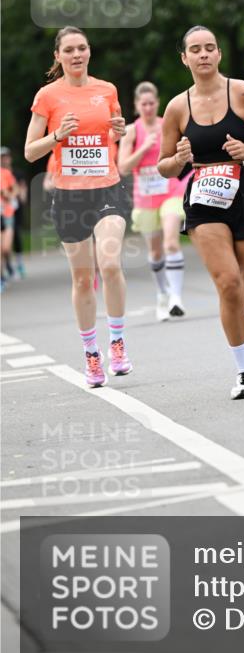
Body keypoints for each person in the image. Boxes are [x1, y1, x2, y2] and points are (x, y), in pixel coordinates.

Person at [158, 26, 244, 400]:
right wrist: (179, 160)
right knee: (228, 282)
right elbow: (163, 166)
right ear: (184, 58)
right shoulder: (177, 107)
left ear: (219, 55)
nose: (203, 55)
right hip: (204, 196)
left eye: (209, 48)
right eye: (195, 50)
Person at [24, 25, 132, 387]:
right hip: (69, 196)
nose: (76, 55)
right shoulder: (48, 96)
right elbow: (29, 151)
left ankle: (116, 342)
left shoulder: (107, 90)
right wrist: (57, 136)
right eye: (68, 50)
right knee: (83, 279)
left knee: (111, 263)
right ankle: (91, 353)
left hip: (106, 188)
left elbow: (115, 133)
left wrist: (120, 130)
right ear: (58, 56)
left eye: (81, 48)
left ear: (89, 52)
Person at [118, 81, 189, 321]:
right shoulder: (131, 131)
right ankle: (162, 294)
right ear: (137, 106)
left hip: (171, 192)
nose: (148, 107)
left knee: (171, 242)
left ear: (157, 103)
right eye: (143, 104)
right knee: (156, 252)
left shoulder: (166, 125)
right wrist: (144, 147)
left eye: (151, 103)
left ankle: (177, 299)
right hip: (145, 198)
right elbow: (123, 167)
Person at [0, 147, 27, 280]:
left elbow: (19, 188)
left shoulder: (11, 173)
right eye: (2, 157)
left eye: (6, 157)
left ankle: (16, 263)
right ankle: (4, 273)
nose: (4, 159)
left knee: (10, 240)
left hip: (10, 210)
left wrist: (10, 196)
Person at [0, 156, 18, 290]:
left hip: (7, 213)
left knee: (6, 248)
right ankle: (1, 277)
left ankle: (9, 264)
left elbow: (15, 189)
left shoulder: (5, 173)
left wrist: (9, 195)